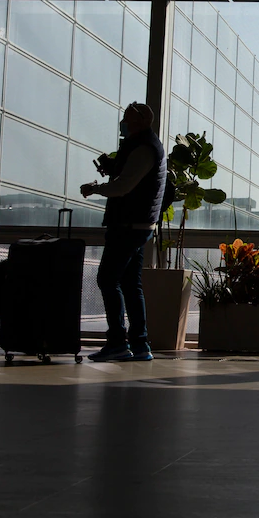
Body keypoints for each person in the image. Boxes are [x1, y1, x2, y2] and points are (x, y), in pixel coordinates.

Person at [80, 103, 166, 363]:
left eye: (127, 119)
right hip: (140, 226)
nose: (123, 122)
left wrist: (95, 189)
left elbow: (124, 187)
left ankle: (118, 342)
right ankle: (140, 344)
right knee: (130, 285)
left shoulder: (143, 148)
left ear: (139, 122)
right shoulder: (146, 146)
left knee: (108, 280)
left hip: (129, 226)